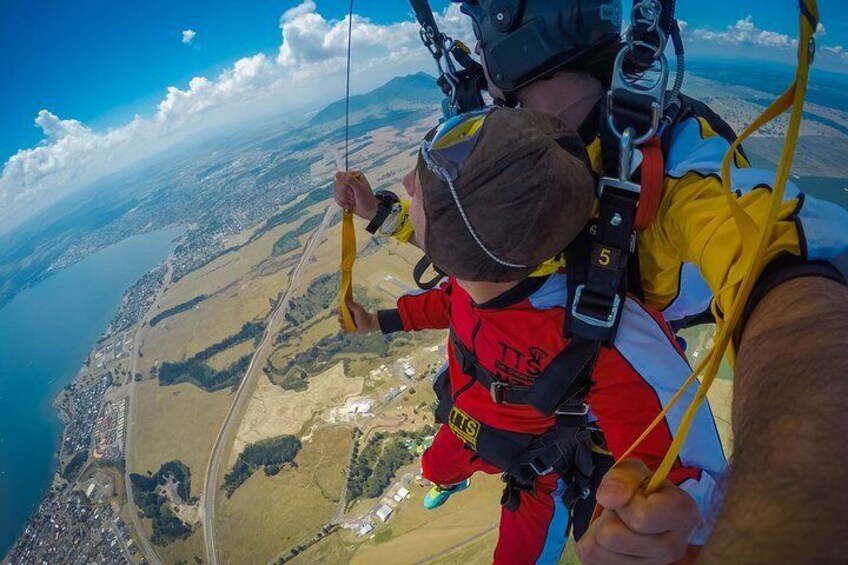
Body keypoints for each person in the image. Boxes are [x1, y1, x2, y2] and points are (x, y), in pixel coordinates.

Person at [335, 1, 848, 561]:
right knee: (451, 449)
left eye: (479, 42)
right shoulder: (511, 144)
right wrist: (384, 216)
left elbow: (782, 270)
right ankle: (448, 474)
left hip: (582, 418)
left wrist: (762, 524)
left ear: (509, 36)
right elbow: (472, 249)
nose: (476, 62)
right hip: (496, 401)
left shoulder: (672, 171)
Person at [339, 107, 726, 564]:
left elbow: (679, 443)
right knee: (433, 467)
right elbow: (445, 299)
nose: (405, 182)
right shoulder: (477, 277)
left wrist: (680, 513)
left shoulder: (595, 329)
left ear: (456, 248)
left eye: (419, 190)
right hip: (467, 423)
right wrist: (377, 320)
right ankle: (450, 479)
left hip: (537, 466)